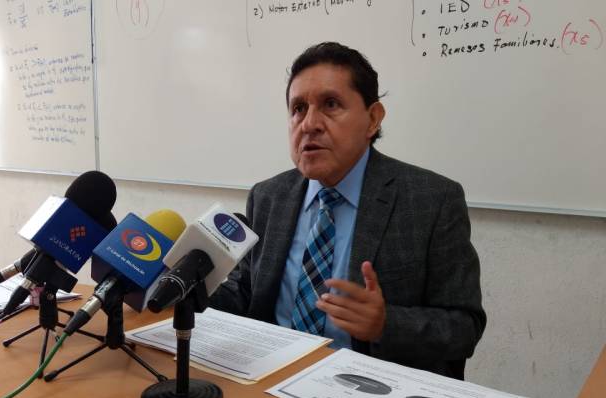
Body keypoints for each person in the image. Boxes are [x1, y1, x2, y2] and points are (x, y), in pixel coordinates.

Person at [208, 42, 486, 380]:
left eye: (331, 104)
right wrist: (186, 289)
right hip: (269, 379)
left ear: (373, 119)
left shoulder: (431, 200)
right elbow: (246, 293)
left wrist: (386, 324)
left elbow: (464, 326)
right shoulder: (268, 196)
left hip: (367, 389)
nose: (309, 124)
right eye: (298, 109)